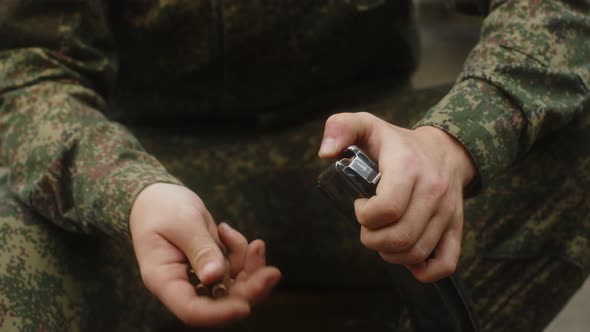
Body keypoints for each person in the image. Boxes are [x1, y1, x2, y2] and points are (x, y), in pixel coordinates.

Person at [0, 0, 588, 331]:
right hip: (136, 171)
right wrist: (131, 191)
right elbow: (25, 74)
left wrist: (454, 139)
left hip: (360, 162)